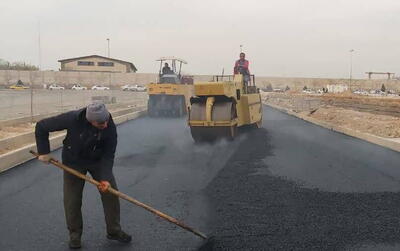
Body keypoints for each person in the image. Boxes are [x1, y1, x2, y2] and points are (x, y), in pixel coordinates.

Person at [35, 102, 131, 249]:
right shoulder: (72, 119)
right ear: (90, 120)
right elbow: (41, 126)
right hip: (73, 161)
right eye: (100, 123)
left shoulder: (109, 126)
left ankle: (114, 230)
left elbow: (108, 154)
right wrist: (44, 152)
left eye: (106, 121)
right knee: (72, 200)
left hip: (97, 161)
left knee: (111, 193)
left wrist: (105, 178)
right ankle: (74, 235)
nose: (105, 125)